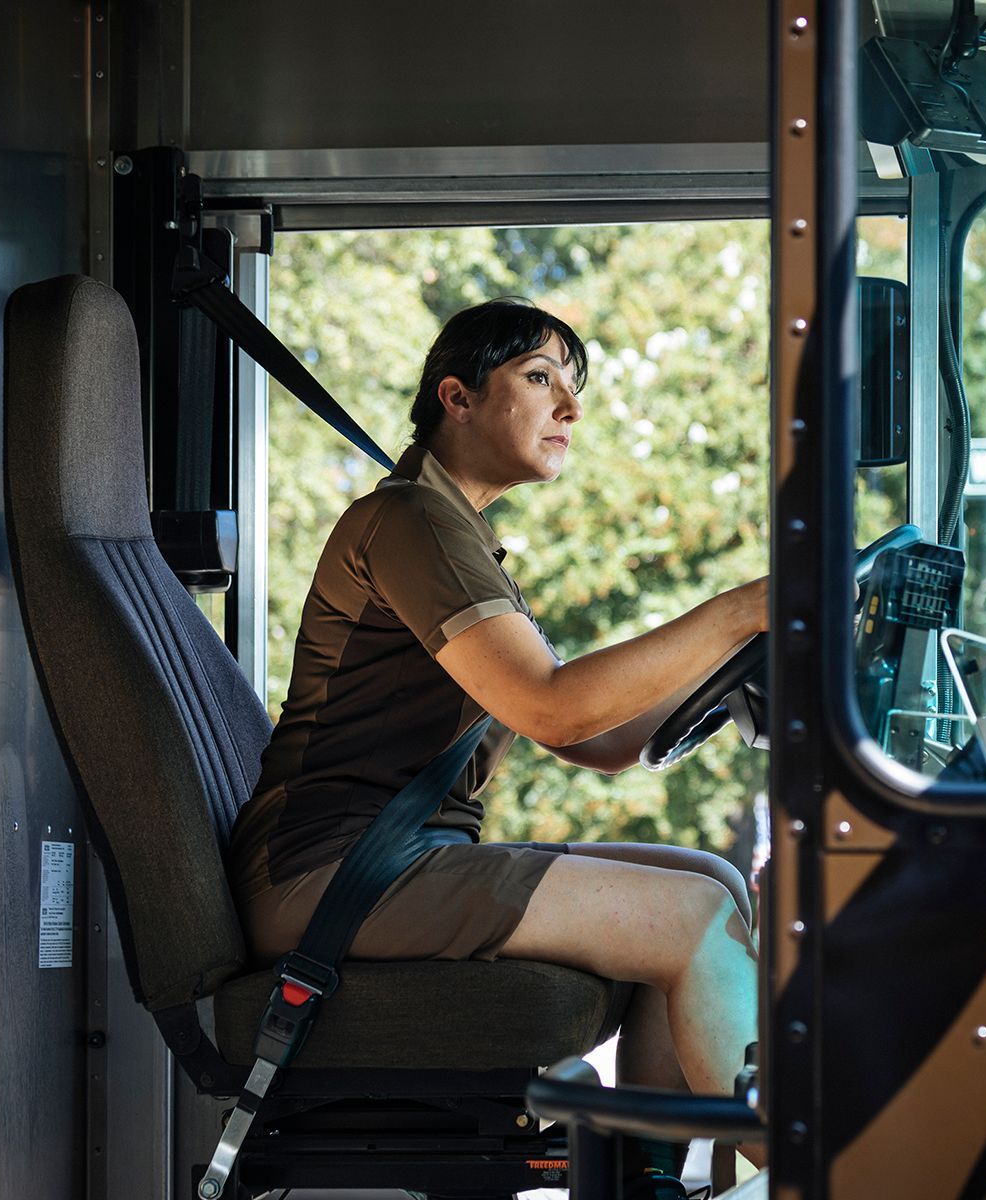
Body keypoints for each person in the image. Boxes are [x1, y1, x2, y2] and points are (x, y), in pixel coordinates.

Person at [226, 297, 768, 1183]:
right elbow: (554, 708)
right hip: (332, 874)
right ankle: (799, 1173)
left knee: (703, 878)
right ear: (458, 397)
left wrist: (726, 674)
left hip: (386, 863)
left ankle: (649, 1181)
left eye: (574, 386)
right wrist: (736, 612)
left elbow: (594, 738)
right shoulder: (411, 523)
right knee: (695, 917)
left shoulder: (462, 538)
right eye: (541, 377)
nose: (571, 408)